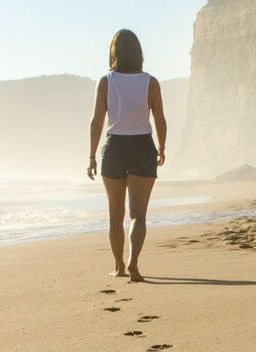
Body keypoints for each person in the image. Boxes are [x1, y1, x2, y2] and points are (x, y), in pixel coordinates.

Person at [87, 29, 167, 283]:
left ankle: (119, 266)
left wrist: (91, 156)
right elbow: (160, 119)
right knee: (138, 215)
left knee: (115, 214)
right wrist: (162, 147)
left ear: (114, 52)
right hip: (143, 145)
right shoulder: (150, 82)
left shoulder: (106, 81)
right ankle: (134, 262)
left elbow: (96, 121)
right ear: (139, 53)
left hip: (115, 148)